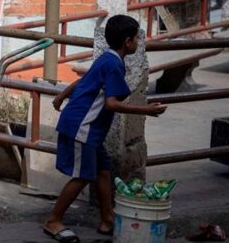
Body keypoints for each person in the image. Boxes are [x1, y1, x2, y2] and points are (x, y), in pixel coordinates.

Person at [43, 15, 166, 243]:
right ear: (128, 42)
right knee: (82, 176)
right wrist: (146, 110)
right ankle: (53, 220)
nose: (138, 43)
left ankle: (107, 218)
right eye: (137, 39)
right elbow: (111, 103)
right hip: (83, 127)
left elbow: (85, 80)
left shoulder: (107, 58)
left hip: (86, 127)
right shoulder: (113, 64)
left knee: (103, 170)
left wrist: (61, 96)